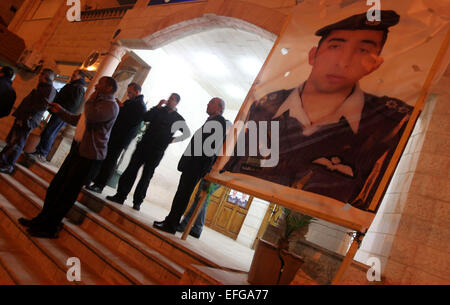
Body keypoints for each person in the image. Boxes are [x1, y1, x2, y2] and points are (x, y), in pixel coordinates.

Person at [223, 10, 413, 210]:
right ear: (313, 55)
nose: (343, 62)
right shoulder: (266, 106)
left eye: (363, 51)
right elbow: (236, 165)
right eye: (335, 46)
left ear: (375, 64)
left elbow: (362, 203)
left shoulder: (387, 123)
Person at [18, 76, 119, 238]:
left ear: (108, 88)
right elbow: (78, 120)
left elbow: (92, 116)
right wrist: (60, 111)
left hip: (89, 155)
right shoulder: (97, 103)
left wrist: (92, 98)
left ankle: (50, 227)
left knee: (67, 192)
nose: (96, 85)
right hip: (77, 150)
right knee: (56, 187)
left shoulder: (110, 106)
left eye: (100, 83)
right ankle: (42, 219)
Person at [153, 97, 227, 235]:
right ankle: (170, 220)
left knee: (183, 194)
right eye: (208, 101)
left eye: (211, 102)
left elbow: (211, 146)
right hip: (193, 164)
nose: (207, 104)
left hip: (196, 165)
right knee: (181, 193)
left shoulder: (219, 122)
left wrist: (200, 163)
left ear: (220, 108)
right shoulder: (211, 121)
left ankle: (171, 224)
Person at [106, 93, 190, 211]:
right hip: (143, 146)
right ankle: (120, 195)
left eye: (172, 99)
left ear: (177, 102)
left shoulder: (178, 118)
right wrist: (157, 106)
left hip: (157, 151)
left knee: (146, 176)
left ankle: (137, 202)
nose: (169, 100)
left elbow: (186, 133)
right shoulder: (159, 110)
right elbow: (145, 117)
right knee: (131, 170)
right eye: (169, 98)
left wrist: (171, 140)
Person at [85, 82, 147, 193]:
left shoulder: (140, 105)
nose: (128, 94)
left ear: (137, 92)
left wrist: (121, 108)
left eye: (130, 92)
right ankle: (93, 180)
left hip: (120, 138)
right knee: (104, 159)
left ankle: (100, 185)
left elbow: (129, 120)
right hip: (115, 136)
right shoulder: (132, 103)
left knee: (110, 161)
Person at [0, 68, 56, 174]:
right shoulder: (42, 88)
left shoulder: (49, 89)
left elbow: (42, 106)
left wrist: (27, 117)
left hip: (28, 119)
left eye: (41, 75)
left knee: (18, 142)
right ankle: (2, 160)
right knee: (12, 140)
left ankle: (8, 165)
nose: (39, 77)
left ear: (46, 76)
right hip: (24, 116)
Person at [29, 69, 86, 162]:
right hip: (58, 112)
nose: (72, 76)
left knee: (50, 132)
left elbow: (73, 105)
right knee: (47, 131)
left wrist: (61, 108)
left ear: (80, 77)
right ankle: (38, 151)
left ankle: (42, 153)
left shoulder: (78, 88)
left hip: (62, 115)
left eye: (74, 75)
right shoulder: (72, 86)